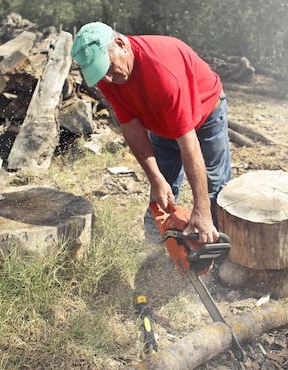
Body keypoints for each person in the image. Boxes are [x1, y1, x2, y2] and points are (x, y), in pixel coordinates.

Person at [70, 22, 231, 243]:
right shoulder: (109, 74)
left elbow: (188, 143)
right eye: (100, 74)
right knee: (161, 193)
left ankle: (218, 251)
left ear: (121, 44)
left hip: (205, 116)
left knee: (214, 190)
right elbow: (130, 126)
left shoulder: (163, 73)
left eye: (108, 68)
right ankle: (157, 252)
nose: (107, 80)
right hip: (159, 119)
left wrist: (201, 210)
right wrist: (155, 178)